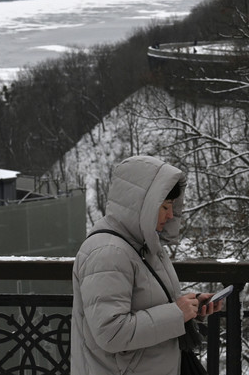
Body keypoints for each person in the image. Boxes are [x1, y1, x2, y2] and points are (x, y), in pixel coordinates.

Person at [71, 155, 223, 375]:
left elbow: (148, 303)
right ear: (143, 205)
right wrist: (176, 314)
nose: (171, 215)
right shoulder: (108, 252)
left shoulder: (143, 245)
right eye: (164, 206)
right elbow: (111, 333)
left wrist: (191, 307)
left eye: (171, 205)